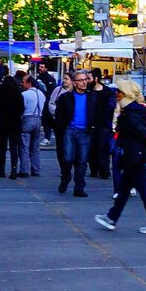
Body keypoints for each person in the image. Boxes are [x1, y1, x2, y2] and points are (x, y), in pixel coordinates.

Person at [96, 80, 146, 235]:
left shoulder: (131, 113)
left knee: (140, 188)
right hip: (134, 155)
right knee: (126, 188)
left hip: (134, 156)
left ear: (125, 94)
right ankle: (112, 217)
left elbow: (145, 134)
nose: (116, 95)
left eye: (119, 92)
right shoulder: (134, 110)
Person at [51, 69, 98, 197]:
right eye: (81, 80)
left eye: (85, 79)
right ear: (74, 82)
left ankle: (79, 187)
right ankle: (65, 178)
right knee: (68, 158)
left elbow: (96, 112)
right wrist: (62, 127)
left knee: (82, 161)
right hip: (69, 131)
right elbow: (59, 115)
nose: (84, 82)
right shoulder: (65, 97)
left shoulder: (92, 96)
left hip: (85, 131)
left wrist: (94, 125)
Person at [0, 67, 27, 178]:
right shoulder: (19, 95)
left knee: (2, 148)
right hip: (15, 124)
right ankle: (13, 171)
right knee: (14, 148)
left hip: (3, 123)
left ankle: (2, 170)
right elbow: (21, 110)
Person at [85, 72, 116, 181]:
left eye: (88, 78)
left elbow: (112, 108)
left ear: (96, 78)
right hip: (91, 124)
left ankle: (104, 171)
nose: (87, 81)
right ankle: (94, 169)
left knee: (103, 148)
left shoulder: (107, 91)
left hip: (104, 125)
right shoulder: (88, 91)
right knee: (91, 149)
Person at [19, 73, 46, 179]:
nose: (22, 84)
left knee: (24, 146)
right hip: (38, 119)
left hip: (27, 118)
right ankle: (36, 169)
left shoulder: (25, 94)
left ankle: (24, 170)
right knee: (35, 147)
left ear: (29, 83)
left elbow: (22, 109)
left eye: (23, 82)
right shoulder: (41, 94)